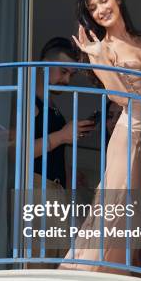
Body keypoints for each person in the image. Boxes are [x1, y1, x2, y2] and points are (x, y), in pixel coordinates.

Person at [60, 0, 141, 273]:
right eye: (93, 8)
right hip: (132, 130)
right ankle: (86, 272)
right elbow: (118, 97)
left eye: (104, 0)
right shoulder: (103, 48)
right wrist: (97, 58)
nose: (100, 9)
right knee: (118, 200)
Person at [33, 37, 95, 189]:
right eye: (63, 71)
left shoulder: (49, 104)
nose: (67, 80)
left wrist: (69, 173)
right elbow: (18, 153)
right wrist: (62, 135)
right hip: (36, 189)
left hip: (53, 189)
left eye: (71, 75)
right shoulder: (28, 102)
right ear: (44, 65)